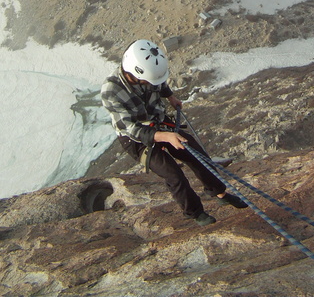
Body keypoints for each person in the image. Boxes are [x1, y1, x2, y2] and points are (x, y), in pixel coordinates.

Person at [101, 39, 247, 226]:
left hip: (160, 123)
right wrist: (164, 136)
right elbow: (131, 128)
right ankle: (195, 212)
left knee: (197, 154)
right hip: (137, 140)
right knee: (173, 175)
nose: (150, 83)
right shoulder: (111, 91)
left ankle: (219, 193)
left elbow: (158, 83)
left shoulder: (145, 72)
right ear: (135, 73)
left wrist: (170, 96)